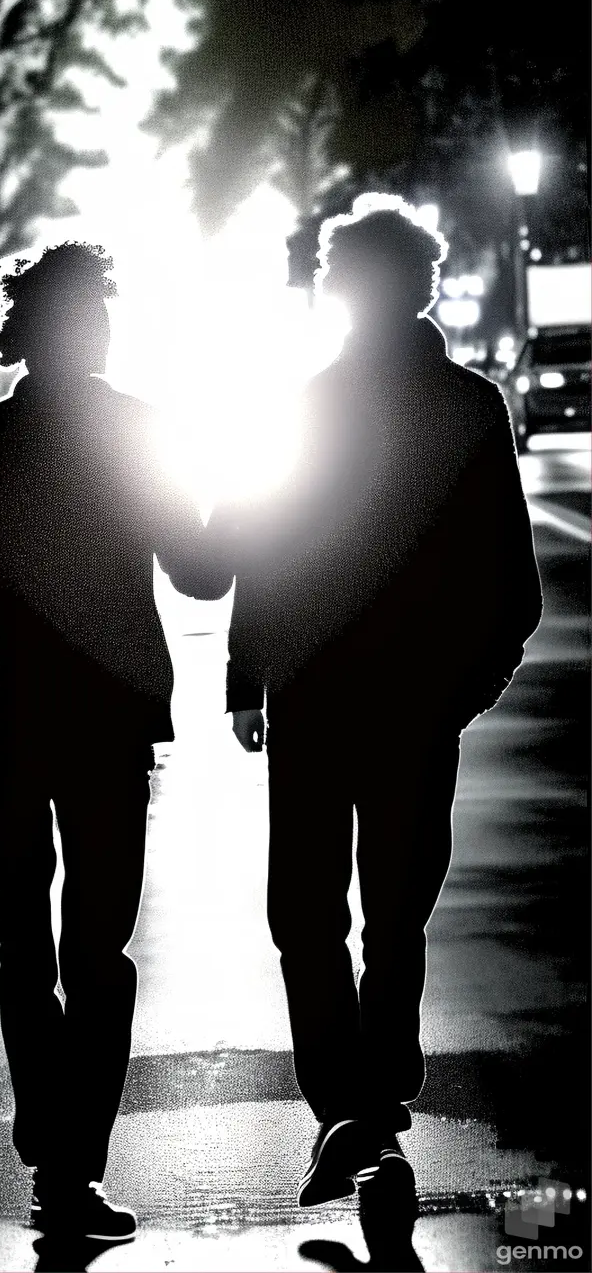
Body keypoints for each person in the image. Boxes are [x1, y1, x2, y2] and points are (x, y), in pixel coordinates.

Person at [214, 199, 543, 1207]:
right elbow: (512, 583)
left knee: (304, 913)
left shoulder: (308, 403)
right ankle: (375, 1101)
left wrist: (246, 676)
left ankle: (347, 1108)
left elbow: (262, 551)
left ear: (340, 291)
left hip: (315, 697)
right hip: (414, 706)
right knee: (397, 914)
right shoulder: (471, 406)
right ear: (426, 287)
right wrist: (466, 688)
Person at [0, 243, 232, 1238]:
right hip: (108, 718)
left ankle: (50, 1136)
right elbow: (200, 574)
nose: (100, 328)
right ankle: (71, 1164)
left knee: (27, 941)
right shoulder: (136, 432)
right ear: (67, 327)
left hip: (12, 716)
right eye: (92, 313)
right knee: (100, 950)